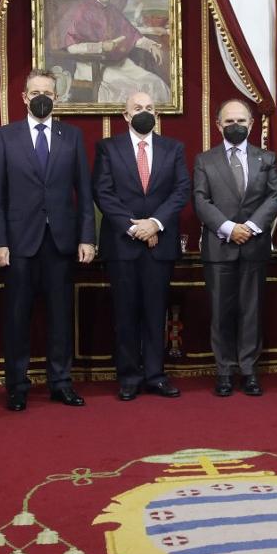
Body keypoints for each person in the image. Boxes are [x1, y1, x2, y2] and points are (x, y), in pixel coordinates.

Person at [0, 70, 96, 412]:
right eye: (35, 91)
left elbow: (84, 191)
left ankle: (60, 382)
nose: (42, 97)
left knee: (61, 317)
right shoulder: (5, 137)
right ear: (24, 97)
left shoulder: (73, 136)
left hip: (61, 242)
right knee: (17, 318)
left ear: (57, 96)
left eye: (47, 92)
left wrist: (87, 238)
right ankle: (17, 386)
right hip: (19, 243)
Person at [93, 90, 190, 400]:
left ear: (157, 114)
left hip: (159, 243)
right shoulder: (108, 148)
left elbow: (181, 190)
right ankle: (129, 377)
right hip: (122, 244)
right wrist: (134, 227)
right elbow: (103, 192)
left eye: (149, 107)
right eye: (138, 107)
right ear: (125, 115)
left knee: (155, 311)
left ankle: (155, 375)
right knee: (125, 312)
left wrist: (155, 223)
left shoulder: (173, 148)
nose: (144, 112)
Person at [193, 98, 277, 397]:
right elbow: (201, 201)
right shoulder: (204, 160)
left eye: (241, 121)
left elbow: (275, 196)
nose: (236, 126)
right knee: (220, 312)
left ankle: (248, 370)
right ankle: (224, 371)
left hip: (255, 245)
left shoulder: (266, 158)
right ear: (218, 125)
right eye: (229, 122)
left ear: (251, 124)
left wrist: (251, 228)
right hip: (219, 247)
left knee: (251, 311)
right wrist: (230, 229)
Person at [64, 0, 171, 104]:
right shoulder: (83, 11)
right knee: (129, 88)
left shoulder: (112, 10)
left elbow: (131, 34)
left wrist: (150, 45)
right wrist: (101, 47)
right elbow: (72, 47)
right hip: (92, 65)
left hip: (119, 63)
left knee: (155, 82)